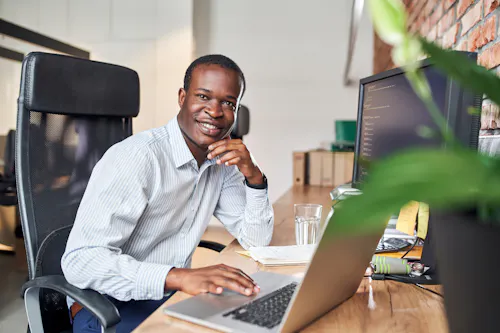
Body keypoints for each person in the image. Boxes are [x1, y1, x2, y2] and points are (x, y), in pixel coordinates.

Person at [61, 54, 274, 333]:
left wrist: (254, 177)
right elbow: (81, 262)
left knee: (254, 320)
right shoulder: (137, 158)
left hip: (166, 297)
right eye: (203, 96)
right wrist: (178, 277)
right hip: (106, 309)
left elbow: (256, 240)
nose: (215, 111)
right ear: (182, 97)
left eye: (228, 103)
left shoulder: (221, 162)